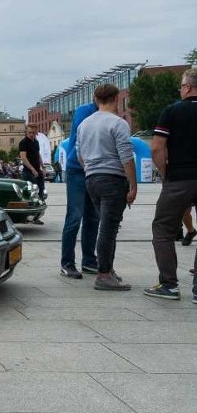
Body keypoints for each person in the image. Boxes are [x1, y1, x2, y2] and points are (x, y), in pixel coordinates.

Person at [76, 83, 136, 291]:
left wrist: (91, 169)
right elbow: (126, 158)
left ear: (96, 99)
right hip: (113, 179)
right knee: (108, 229)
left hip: (92, 179)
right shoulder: (118, 123)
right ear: (116, 98)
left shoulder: (84, 124)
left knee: (106, 225)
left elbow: (80, 155)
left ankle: (107, 269)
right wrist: (133, 186)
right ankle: (103, 274)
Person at [144, 68, 197, 301]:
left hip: (179, 178)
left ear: (186, 88)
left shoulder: (172, 111)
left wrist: (165, 173)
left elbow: (157, 146)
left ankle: (169, 284)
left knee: (163, 229)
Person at [59, 102, 100, 279]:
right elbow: (83, 139)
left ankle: (89, 261)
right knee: (75, 216)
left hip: (95, 170)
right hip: (78, 169)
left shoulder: (105, 113)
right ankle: (67, 262)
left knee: (93, 217)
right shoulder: (85, 112)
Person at [19, 124, 47, 201]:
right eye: (29, 132)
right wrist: (32, 169)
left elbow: (38, 155)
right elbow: (23, 158)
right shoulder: (23, 142)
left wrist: (43, 167)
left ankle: (40, 205)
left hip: (38, 171)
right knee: (31, 195)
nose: (31, 134)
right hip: (28, 172)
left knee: (41, 193)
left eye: (33, 133)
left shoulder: (36, 142)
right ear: (26, 132)